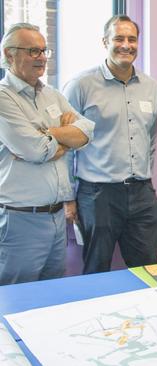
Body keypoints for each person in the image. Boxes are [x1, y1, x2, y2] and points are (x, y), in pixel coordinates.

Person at [63, 15, 157, 274]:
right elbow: (64, 146)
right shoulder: (80, 85)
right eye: (119, 38)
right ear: (105, 41)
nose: (126, 45)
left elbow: (150, 139)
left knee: (148, 270)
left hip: (142, 192)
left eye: (132, 39)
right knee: (96, 267)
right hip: (98, 194)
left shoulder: (152, 87)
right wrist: (67, 197)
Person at [0, 23, 94, 284]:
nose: (41, 57)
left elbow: (87, 132)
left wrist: (49, 132)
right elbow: (36, 149)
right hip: (20, 219)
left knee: (52, 296)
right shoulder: (3, 98)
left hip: (56, 218)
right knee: (17, 298)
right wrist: (65, 135)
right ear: (10, 55)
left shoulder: (52, 94)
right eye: (33, 51)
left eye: (44, 50)